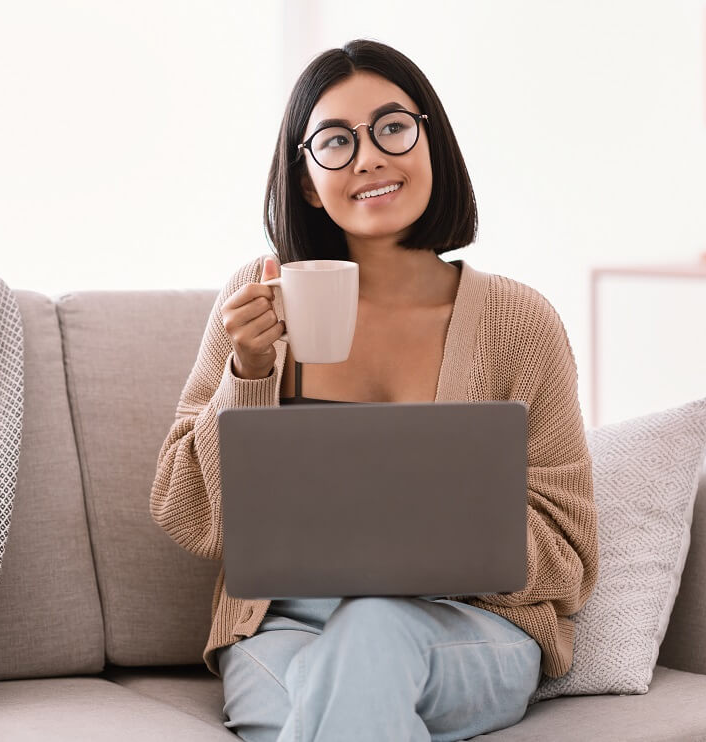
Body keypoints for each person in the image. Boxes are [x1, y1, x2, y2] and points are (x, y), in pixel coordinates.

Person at [150, 39, 596, 742]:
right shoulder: (258, 300)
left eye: (392, 127)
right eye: (335, 141)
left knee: (374, 629)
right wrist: (249, 375)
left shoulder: (521, 323)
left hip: (467, 630)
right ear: (305, 180)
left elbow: (570, 550)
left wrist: (444, 531)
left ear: (431, 141)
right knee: (343, 703)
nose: (367, 158)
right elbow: (186, 509)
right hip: (283, 632)